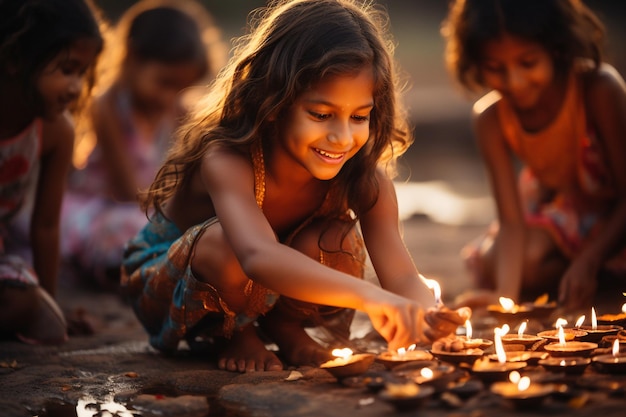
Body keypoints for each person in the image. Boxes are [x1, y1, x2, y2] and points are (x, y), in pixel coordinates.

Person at [121, 0, 470, 373]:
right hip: (167, 284)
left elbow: (401, 276)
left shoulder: (363, 179)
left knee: (335, 240)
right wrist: (371, 297)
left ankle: (284, 329)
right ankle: (234, 334)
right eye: (321, 115)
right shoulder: (227, 160)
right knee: (225, 246)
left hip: (262, 284)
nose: (341, 137)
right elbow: (256, 256)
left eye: (358, 117)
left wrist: (428, 316)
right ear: (273, 101)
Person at [441, 0, 626, 311]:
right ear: (475, 62)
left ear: (556, 48)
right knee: (498, 261)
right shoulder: (490, 118)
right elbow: (511, 222)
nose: (514, 82)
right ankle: (590, 275)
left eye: (528, 63)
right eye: (495, 69)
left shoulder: (598, 89)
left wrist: (588, 261)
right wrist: (506, 296)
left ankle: (599, 272)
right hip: (563, 213)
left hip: (615, 216)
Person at [61, 0, 226, 290]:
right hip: (105, 208)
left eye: (179, 87)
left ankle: (159, 267)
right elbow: (128, 192)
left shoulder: (179, 111)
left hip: (151, 208)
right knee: (132, 229)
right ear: (132, 57)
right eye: (163, 82)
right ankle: (142, 276)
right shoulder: (108, 107)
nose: (169, 96)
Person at [0, 0, 103, 344]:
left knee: (45, 325)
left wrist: (48, 303)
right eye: (67, 69)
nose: (76, 87)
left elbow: (45, 226)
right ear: (15, 60)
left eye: (82, 74)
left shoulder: (56, 131)